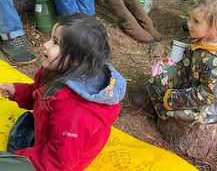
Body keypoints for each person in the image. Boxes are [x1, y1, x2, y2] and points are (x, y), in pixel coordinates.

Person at [0, 14, 126, 171]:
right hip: (49, 138)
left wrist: (21, 157)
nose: (45, 45)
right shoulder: (58, 72)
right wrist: (16, 91)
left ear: (77, 59)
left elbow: (59, 163)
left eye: (55, 42)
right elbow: (39, 93)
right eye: (51, 38)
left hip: (56, 161)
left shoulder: (75, 113)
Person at [132, 0, 217, 123]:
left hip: (213, 103)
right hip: (198, 76)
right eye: (189, 18)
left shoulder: (216, 63)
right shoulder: (211, 37)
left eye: (196, 21)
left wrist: (171, 98)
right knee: (161, 78)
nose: (189, 24)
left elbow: (207, 95)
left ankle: (157, 109)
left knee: (179, 109)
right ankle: (154, 99)